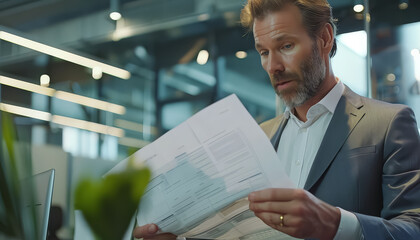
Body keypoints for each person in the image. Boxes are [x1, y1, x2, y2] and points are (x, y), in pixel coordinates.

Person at [133, 0, 420, 239]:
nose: (273, 67)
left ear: (324, 38)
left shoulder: (389, 123)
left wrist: (335, 224)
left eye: (285, 47)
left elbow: (413, 229)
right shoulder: (256, 137)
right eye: (264, 52)